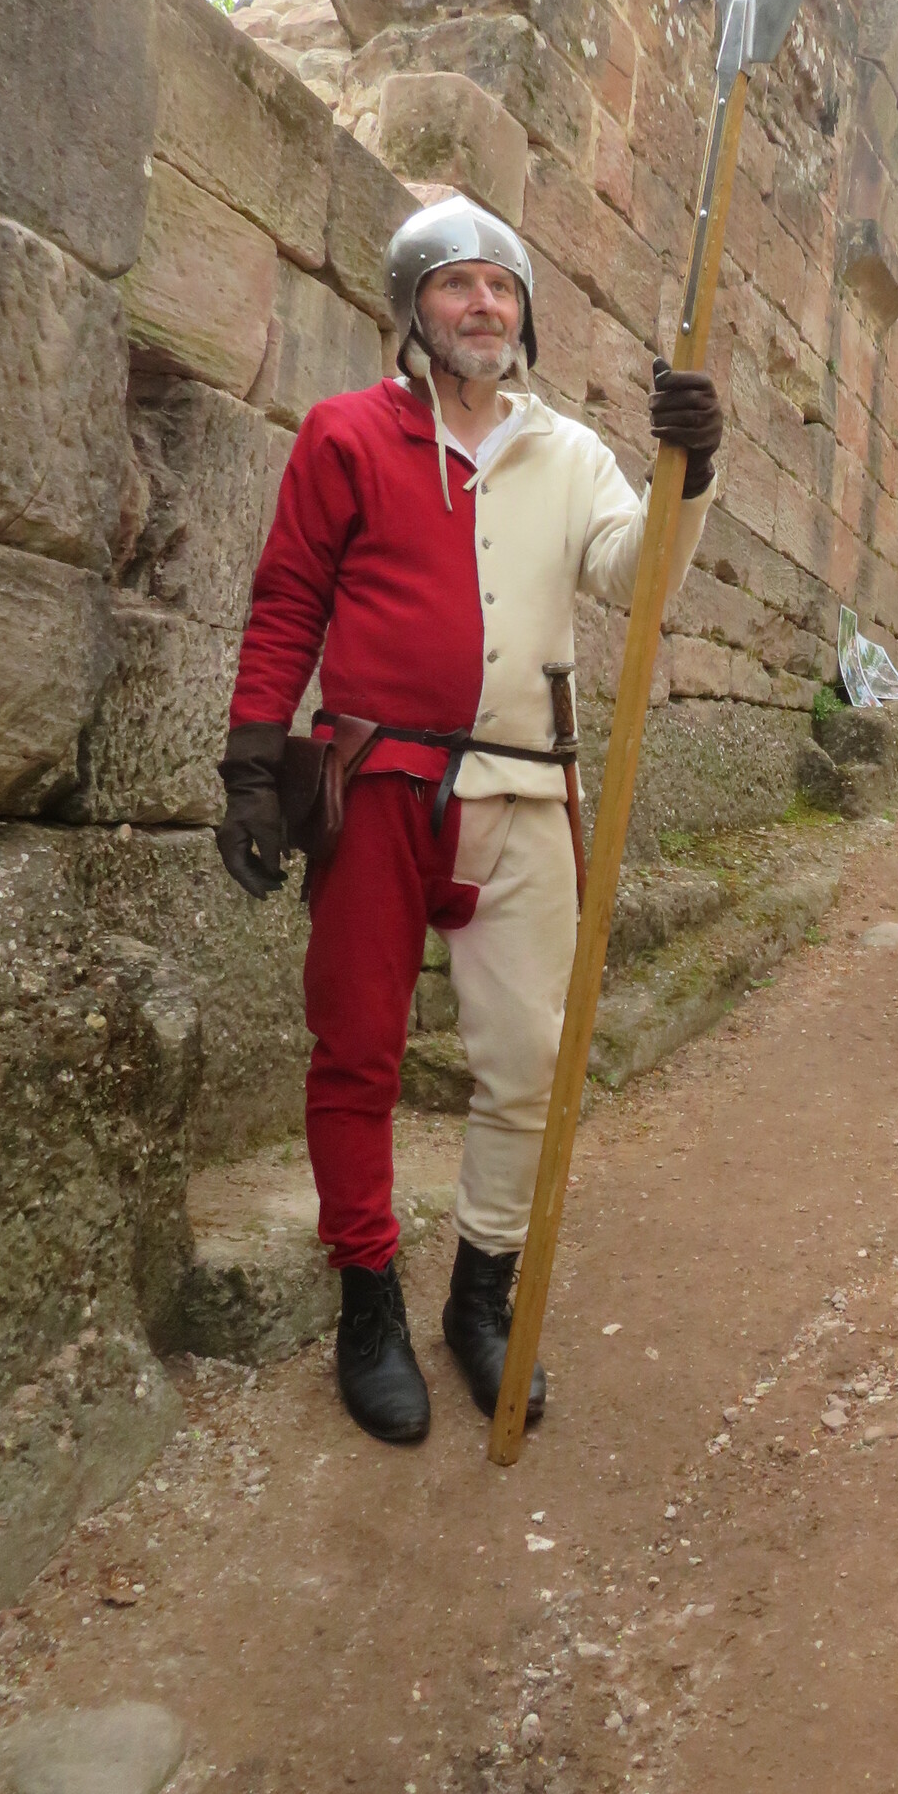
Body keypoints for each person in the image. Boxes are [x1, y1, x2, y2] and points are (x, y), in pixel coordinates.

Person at [213, 196, 722, 1444]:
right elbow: (288, 600)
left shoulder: (570, 454)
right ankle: (368, 1304)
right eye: (457, 283)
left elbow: (639, 577)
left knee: (530, 1060)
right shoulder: (345, 434)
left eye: (502, 286)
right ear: (413, 310)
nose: (484, 303)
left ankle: (481, 1298)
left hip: (525, 790)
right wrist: (250, 764)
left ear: (524, 315)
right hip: (377, 787)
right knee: (357, 1053)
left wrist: (690, 473)